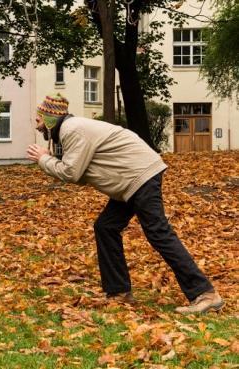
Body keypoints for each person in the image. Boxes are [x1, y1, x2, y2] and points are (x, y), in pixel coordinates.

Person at [26, 93, 224, 315]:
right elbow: (80, 176)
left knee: (158, 232)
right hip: (129, 182)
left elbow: (71, 173)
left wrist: (44, 159)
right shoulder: (70, 130)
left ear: (51, 117)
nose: (37, 122)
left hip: (139, 176)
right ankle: (119, 293)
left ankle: (205, 294)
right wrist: (52, 160)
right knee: (106, 226)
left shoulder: (72, 129)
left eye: (39, 117)